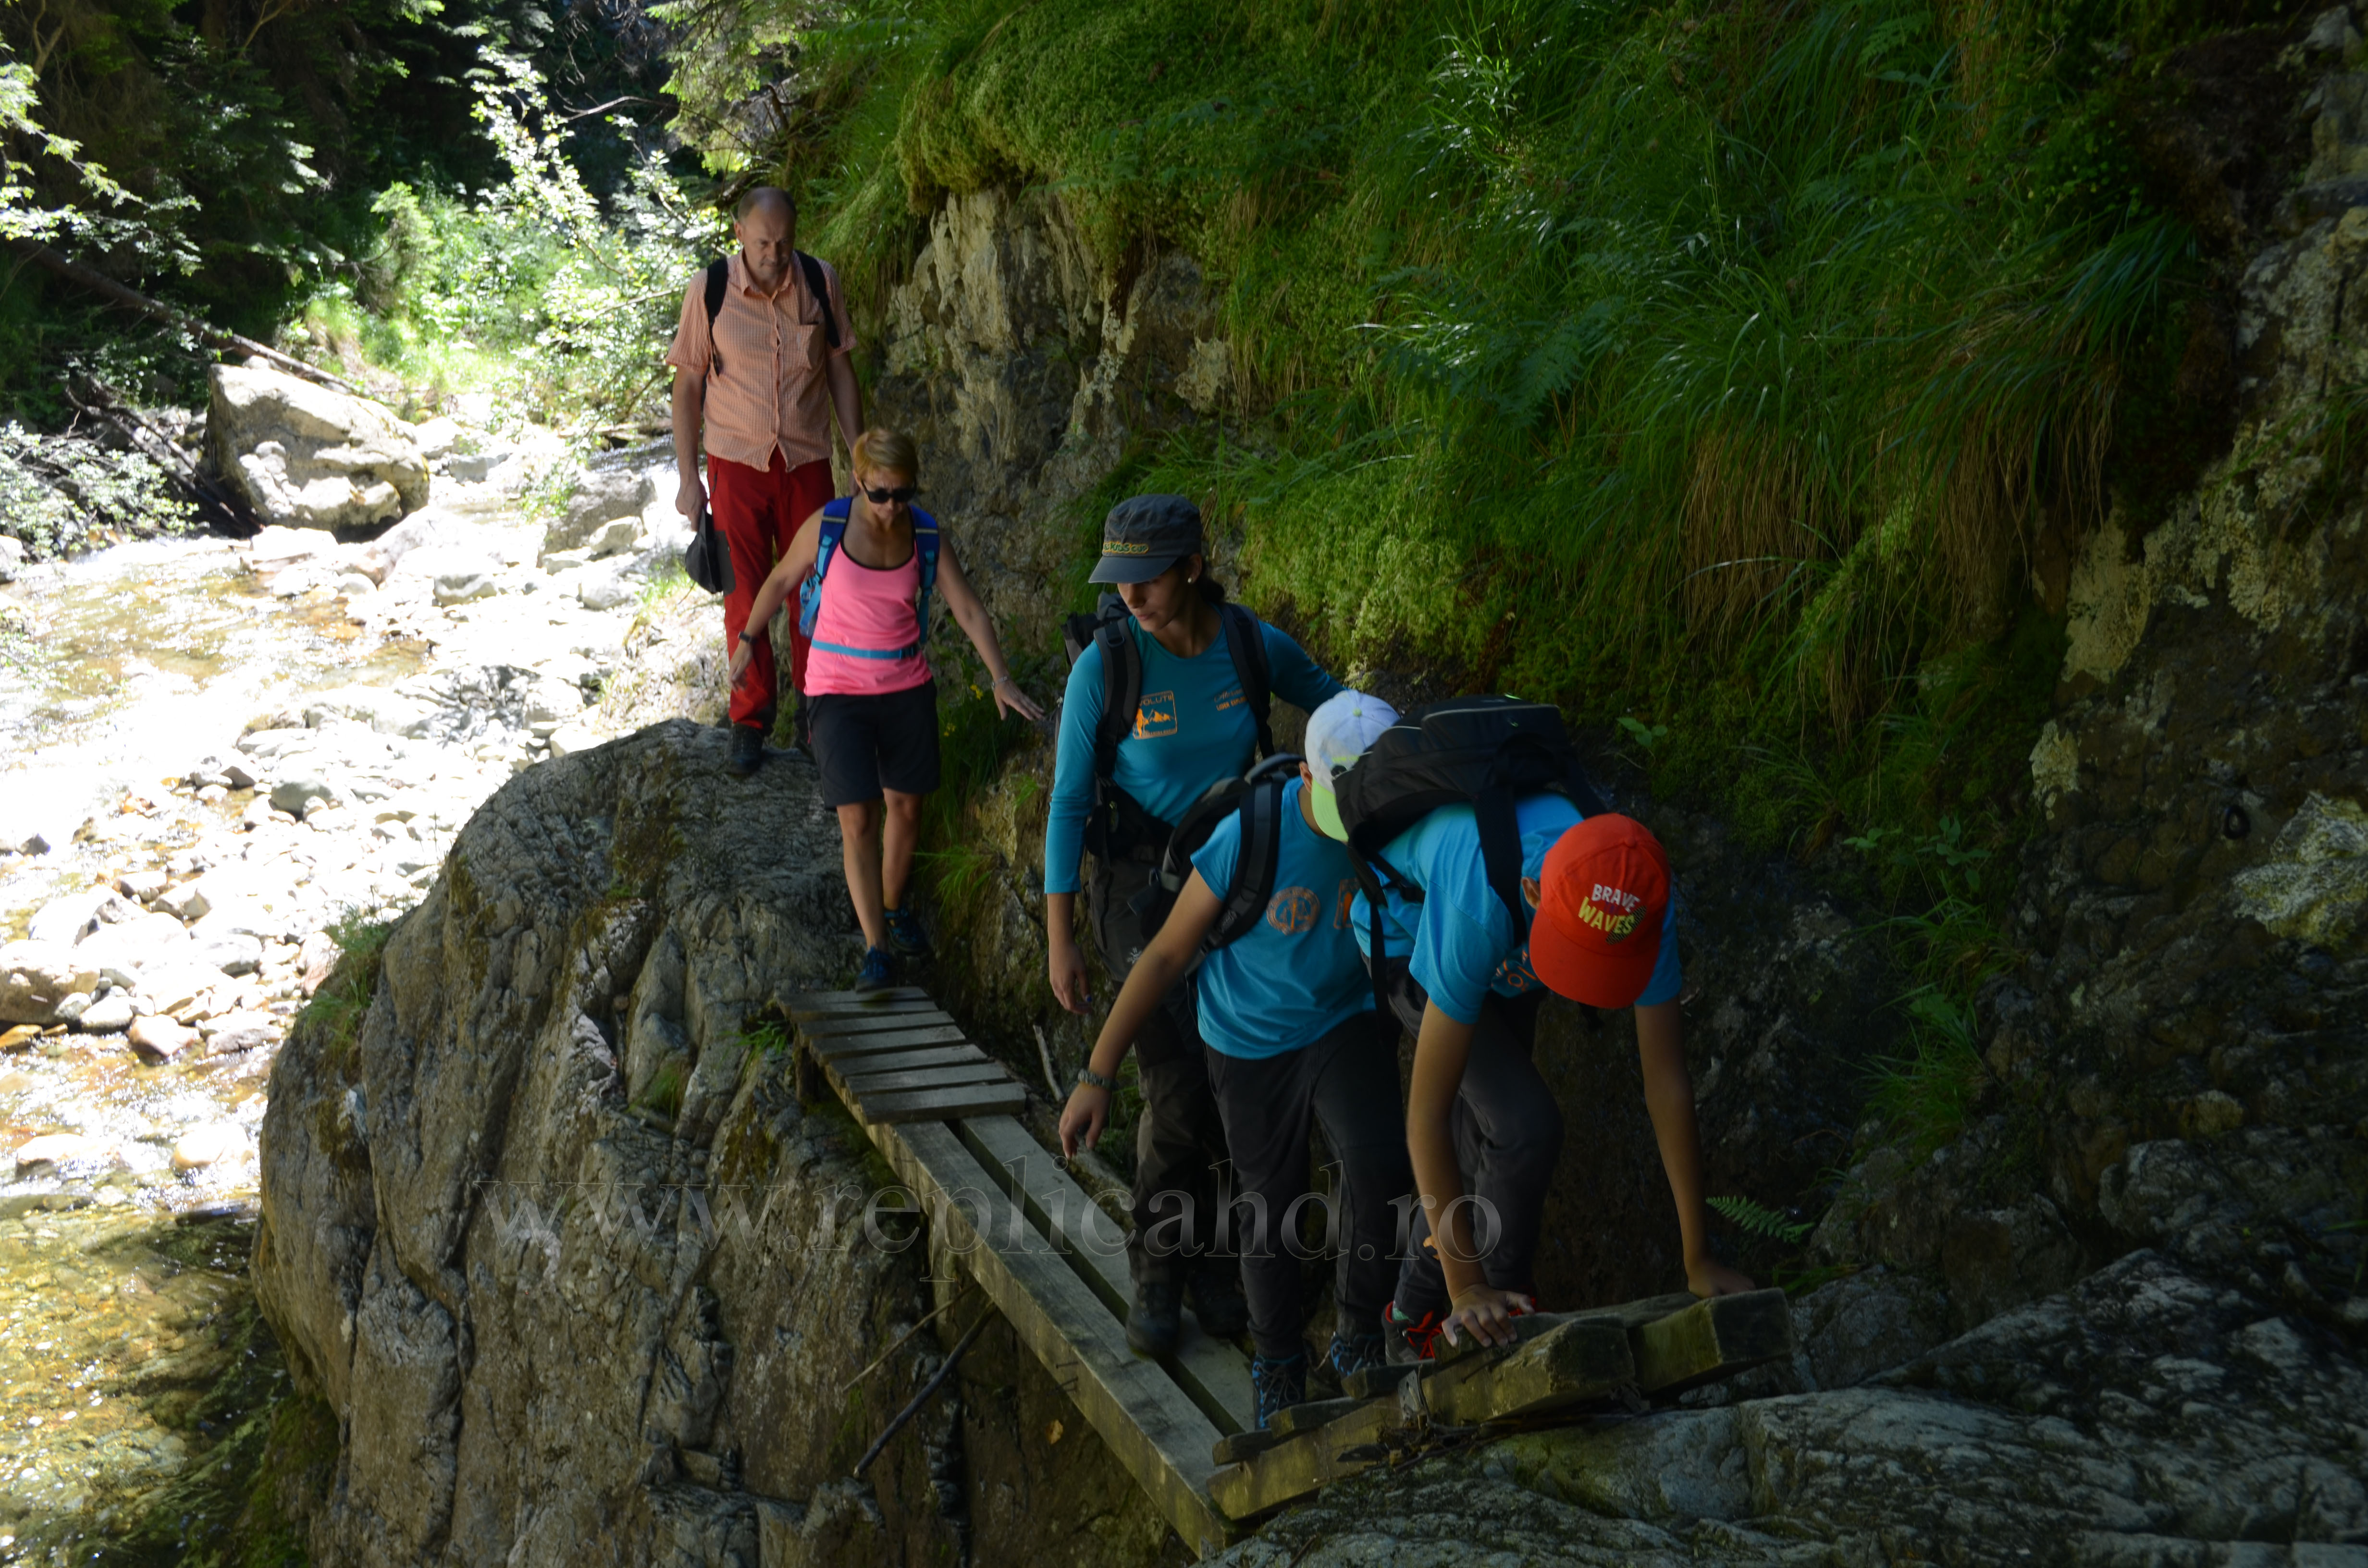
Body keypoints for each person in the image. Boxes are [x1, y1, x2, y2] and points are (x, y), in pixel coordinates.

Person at [1312, 746, 1755, 1358]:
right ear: (1533, 891)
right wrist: (1470, 1289)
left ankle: (1409, 1315)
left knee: (1486, 1146)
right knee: (1523, 1125)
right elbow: (1425, 1117)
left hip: (1507, 954)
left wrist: (1696, 1258)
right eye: (1575, 960)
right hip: (1414, 935)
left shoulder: (1640, 898)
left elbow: (1666, 1083)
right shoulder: (1480, 899)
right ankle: (1494, 1312)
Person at [1061, 690, 1413, 1425]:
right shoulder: (1253, 833)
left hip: (1342, 1018)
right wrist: (1098, 1074)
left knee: (1379, 1164)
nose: (1355, 822)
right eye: (1342, 805)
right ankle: (1277, 1362)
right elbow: (1164, 957)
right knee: (1270, 1202)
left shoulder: (1394, 824)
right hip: (1247, 1037)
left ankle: (1359, 1335)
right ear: (1307, 777)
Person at [1044, 494, 1344, 1359]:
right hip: (1139, 891)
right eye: (1118, 580)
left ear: (1190, 567)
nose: (1130, 596)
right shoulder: (1105, 668)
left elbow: (1338, 714)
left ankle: (1213, 1260)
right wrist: (1061, 935)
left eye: (1146, 578)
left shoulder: (1250, 645)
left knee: (1234, 1071)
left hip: (1237, 882)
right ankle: (1158, 1267)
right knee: (1177, 1083)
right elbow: (1067, 804)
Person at [729, 429, 1041, 990]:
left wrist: (1000, 679)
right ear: (858, 481)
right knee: (858, 818)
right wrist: (748, 640)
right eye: (880, 494)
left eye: (902, 493)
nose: (892, 506)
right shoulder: (827, 526)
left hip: (904, 686)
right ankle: (876, 948)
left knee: (906, 808)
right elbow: (779, 579)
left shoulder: (924, 533)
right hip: (835, 690)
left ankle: (893, 907)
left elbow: (967, 608)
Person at [667, 184, 863, 778]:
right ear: (738, 235)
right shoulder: (709, 289)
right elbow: (688, 386)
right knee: (745, 596)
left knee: (815, 592)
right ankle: (749, 721)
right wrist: (687, 478)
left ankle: (814, 716)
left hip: (807, 463)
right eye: (762, 243)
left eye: (783, 242)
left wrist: (859, 452)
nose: (774, 254)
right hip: (735, 466)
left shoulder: (819, 281)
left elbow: (839, 369)